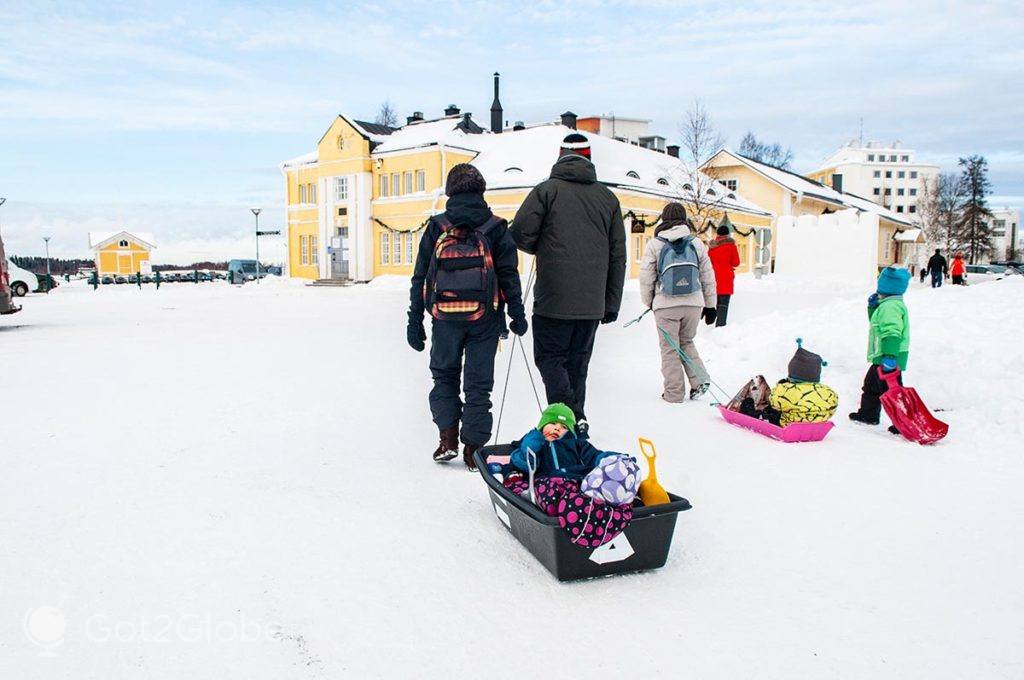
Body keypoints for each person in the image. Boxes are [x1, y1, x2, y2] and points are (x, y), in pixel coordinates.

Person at [407, 164, 527, 469]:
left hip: (444, 319)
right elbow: (509, 275)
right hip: (484, 318)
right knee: (478, 384)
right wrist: (517, 313)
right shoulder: (495, 226)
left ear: (450, 192)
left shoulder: (437, 226)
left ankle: (447, 439)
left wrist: (414, 320)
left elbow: (420, 276)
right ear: (481, 190)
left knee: (444, 376)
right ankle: (474, 450)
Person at [511, 133, 627, 437]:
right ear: (589, 158)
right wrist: (610, 303)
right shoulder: (608, 198)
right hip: (591, 305)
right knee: (577, 367)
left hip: (553, 299)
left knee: (549, 359)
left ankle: (569, 418)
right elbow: (618, 256)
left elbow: (520, 234)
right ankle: (575, 428)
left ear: (559, 156)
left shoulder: (547, 191)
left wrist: (544, 245)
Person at [639, 202, 717, 402]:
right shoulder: (696, 243)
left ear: (664, 219)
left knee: (670, 348)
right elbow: (708, 276)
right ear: (684, 219)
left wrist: (649, 302)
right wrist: (710, 306)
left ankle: (674, 394)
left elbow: (646, 277)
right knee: (686, 341)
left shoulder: (655, 244)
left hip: (666, 306)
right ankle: (699, 381)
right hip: (694, 304)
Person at [849, 266, 911, 434]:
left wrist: (890, 356)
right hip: (881, 357)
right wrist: (873, 307)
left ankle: (903, 423)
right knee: (871, 387)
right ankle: (868, 415)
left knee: (892, 392)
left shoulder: (890, 307)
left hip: (888, 358)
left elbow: (891, 332)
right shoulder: (887, 304)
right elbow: (877, 324)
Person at [768, 343, 839, 426]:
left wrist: (780, 385)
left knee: (771, 411)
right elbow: (832, 408)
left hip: (789, 424)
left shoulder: (786, 390)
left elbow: (773, 402)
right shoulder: (828, 392)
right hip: (818, 424)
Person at [707, 221, 740, 327]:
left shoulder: (712, 247)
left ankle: (711, 325)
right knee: (724, 303)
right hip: (726, 279)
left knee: (715, 302)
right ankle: (720, 327)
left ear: (718, 234)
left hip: (713, 278)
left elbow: (707, 263)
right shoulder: (731, 247)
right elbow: (736, 263)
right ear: (727, 235)